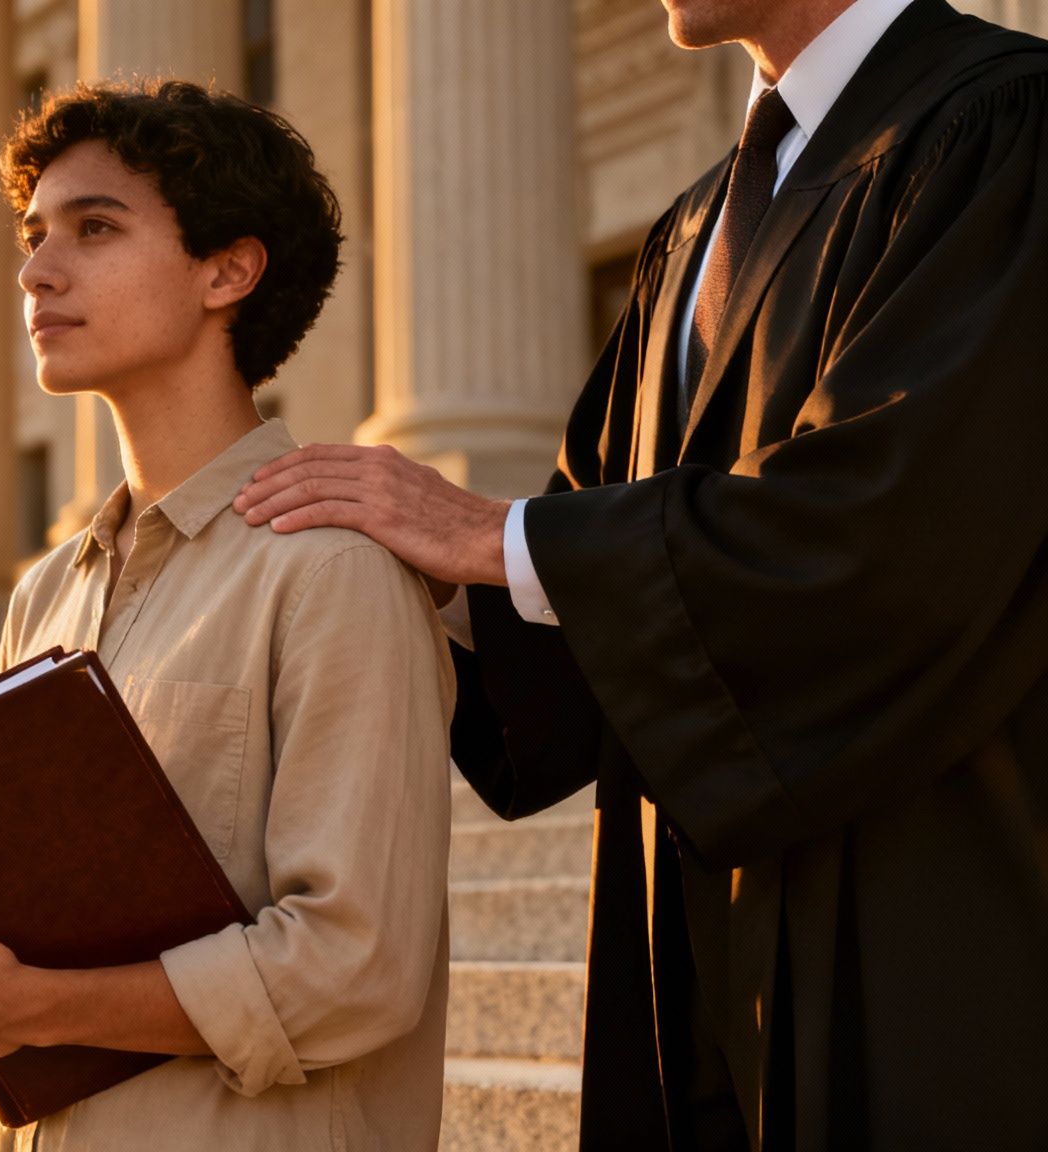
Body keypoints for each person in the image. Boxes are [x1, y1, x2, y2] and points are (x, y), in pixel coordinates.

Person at [233, 1, 1048, 1148]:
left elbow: (906, 517)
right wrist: (428, 579)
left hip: (921, 904)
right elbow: (581, 578)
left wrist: (499, 540)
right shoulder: (694, 230)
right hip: (684, 933)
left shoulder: (1004, 124)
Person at [0, 81, 457, 1150]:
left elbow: (354, 968)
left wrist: (29, 1003)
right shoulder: (45, 594)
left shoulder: (330, 568)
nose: (37, 271)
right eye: (34, 235)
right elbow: (20, 946)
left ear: (225, 271)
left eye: (94, 229)